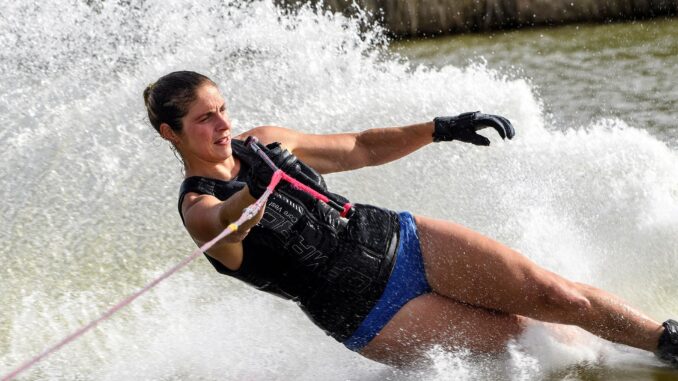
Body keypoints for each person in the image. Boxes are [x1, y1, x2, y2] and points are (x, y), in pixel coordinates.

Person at [143, 70, 678, 367]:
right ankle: (616, 364)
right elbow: (226, 226)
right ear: (171, 133)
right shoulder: (198, 207)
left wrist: (440, 127)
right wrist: (250, 195)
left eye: (222, 109)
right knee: (526, 337)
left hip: (397, 238)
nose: (222, 123)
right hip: (368, 311)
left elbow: (359, 147)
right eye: (204, 117)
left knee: (557, 297)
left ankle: (663, 342)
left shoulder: (264, 142)